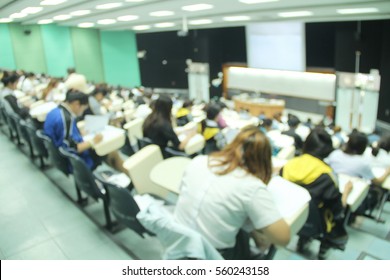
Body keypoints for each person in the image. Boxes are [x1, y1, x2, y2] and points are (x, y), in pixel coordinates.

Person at [175, 126, 290, 260]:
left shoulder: (199, 161)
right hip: (212, 255)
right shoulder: (252, 186)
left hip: (177, 240)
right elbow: (283, 239)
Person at [280, 127, 352, 259]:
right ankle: (325, 245)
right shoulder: (327, 176)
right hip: (314, 224)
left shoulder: (288, 165)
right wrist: (346, 192)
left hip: (285, 217)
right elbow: (338, 211)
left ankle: (303, 238)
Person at [43, 90, 128, 174]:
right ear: (76, 104)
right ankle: (131, 177)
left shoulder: (55, 111)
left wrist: (78, 132)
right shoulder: (66, 119)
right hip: (75, 162)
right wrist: (93, 141)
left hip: (59, 158)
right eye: (83, 108)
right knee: (111, 152)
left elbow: (63, 136)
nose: (82, 112)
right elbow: (71, 148)